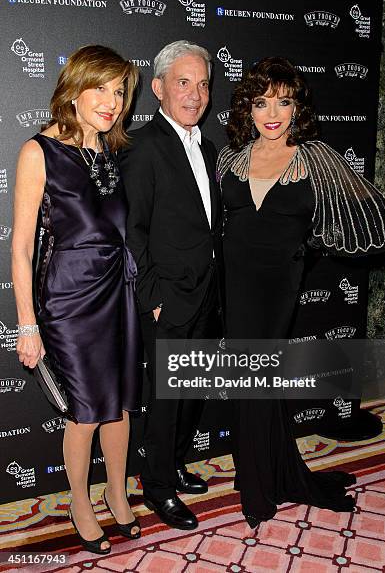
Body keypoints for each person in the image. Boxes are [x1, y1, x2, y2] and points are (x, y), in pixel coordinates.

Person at [217, 57, 385, 528]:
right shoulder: (230, 159)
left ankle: (257, 490)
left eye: (283, 101)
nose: (272, 112)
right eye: (261, 102)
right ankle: (271, 470)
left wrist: (310, 246)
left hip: (277, 286)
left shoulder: (315, 157)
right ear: (248, 109)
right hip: (234, 283)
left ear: (297, 107)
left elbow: (365, 210)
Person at [12, 45, 141, 554]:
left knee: (120, 407)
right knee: (86, 410)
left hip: (117, 293)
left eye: (119, 92)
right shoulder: (38, 152)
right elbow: (21, 247)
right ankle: (79, 501)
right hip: (68, 301)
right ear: (75, 86)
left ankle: (115, 490)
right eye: (101, 88)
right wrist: (27, 324)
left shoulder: (110, 150)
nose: (112, 102)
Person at [120, 40, 222, 530]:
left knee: (193, 392)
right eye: (184, 83)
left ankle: (176, 463)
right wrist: (154, 300)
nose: (195, 94)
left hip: (206, 297)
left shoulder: (208, 144)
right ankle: (156, 486)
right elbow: (131, 233)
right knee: (164, 401)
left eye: (202, 84)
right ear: (158, 88)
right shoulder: (142, 148)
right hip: (168, 301)